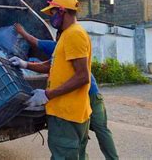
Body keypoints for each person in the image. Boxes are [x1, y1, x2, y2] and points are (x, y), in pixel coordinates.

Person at [15, 24, 119, 160]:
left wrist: (21, 31)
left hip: (88, 96)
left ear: (59, 36)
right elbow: (48, 65)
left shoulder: (62, 45)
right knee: (93, 134)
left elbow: (35, 42)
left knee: (90, 134)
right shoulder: (62, 46)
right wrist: (25, 64)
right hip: (90, 96)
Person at [10, 0, 92, 159]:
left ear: (62, 11)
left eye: (53, 13)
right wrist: (25, 64)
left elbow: (83, 76)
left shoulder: (73, 35)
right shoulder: (67, 34)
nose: (51, 18)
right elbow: (51, 64)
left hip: (66, 113)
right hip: (70, 112)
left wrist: (48, 94)